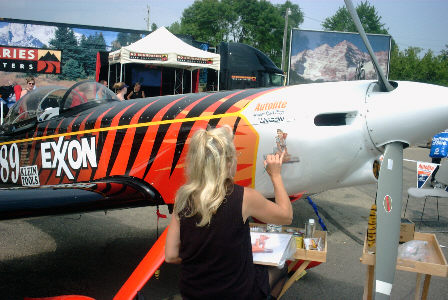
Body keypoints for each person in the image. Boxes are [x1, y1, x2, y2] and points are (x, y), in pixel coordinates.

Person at [165, 126, 293, 300]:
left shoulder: (182, 197)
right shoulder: (245, 197)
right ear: (228, 163)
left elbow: (171, 256)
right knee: (280, 269)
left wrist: (204, 263)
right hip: (236, 294)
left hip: (193, 293)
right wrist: (276, 175)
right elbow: (286, 216)